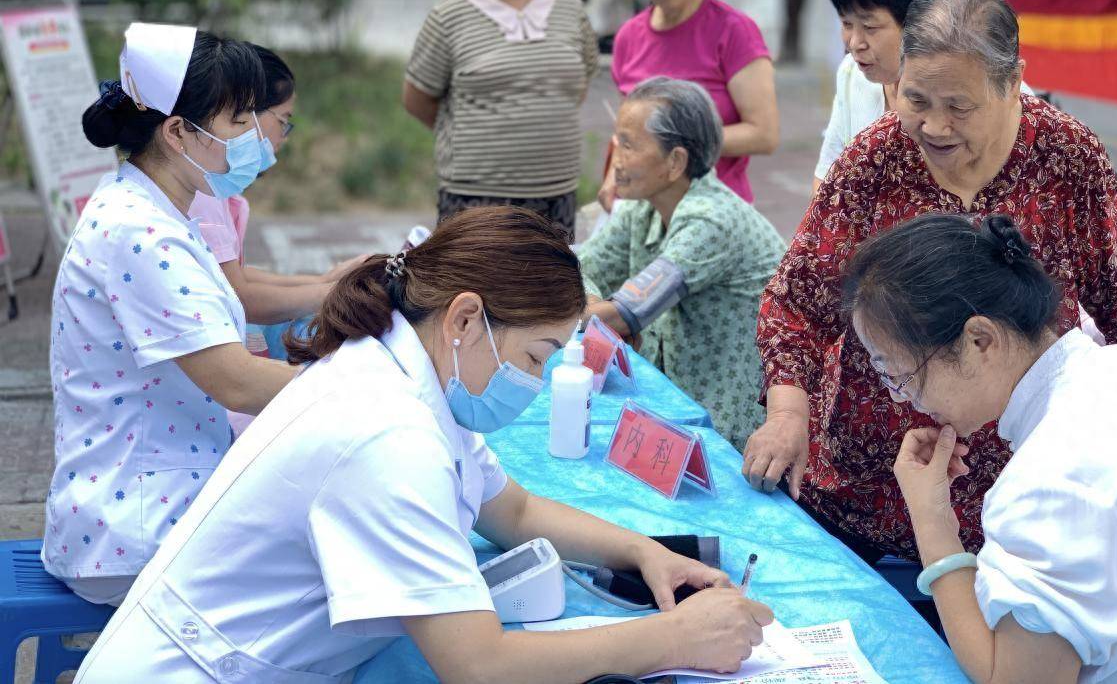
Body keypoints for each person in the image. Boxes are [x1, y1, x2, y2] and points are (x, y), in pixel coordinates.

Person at [74, 207, 773, 683]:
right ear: (466, 318)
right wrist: (676, 641)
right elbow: (478, 665)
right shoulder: (387, 434)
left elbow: (516, 513)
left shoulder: (403, 370)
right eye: (536, 358)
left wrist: (645, 553)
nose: (533, 382)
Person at [744, 0, 1117, 567]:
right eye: (916, 100)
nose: (934, 127)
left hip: (1022, 495)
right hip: (865, 487)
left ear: (1013, 81)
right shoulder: (874, 162)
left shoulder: (1066, 156)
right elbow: (796, 303)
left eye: (959, 106)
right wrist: (788, 416)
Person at [847, 214, 1117, 683]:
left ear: (979, 340)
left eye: (899, 374)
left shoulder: (1054, 481)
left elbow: (1009, 678)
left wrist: (932, 523)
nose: (901, 398)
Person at [45, 23, 297, 605]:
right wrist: (367, 385)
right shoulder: (143, 232)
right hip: (133, 530)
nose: (255, 137)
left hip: (143, 502)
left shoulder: (153, 207)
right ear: (179, 131)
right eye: (240, 121)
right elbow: (236, 381)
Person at [580, 78, 786, 447]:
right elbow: (577, 266)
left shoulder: (712, 221)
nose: (616, 158)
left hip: (726, 433)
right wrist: (592, 303)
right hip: (675, 410)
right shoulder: (644, 205)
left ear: (675, 161)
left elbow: (623, 314)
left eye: (628, 145)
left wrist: (585, 308)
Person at [404, 0, 599, 241]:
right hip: (474, 196)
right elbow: (417, 98)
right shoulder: (450, 16)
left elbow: (578, 83)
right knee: (474, 291)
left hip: (557, 193)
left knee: (550, 290)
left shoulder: (570, 7)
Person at [594, 0, 779, 209]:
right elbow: (628, 131)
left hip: (718, 213)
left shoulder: (734, 31)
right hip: (645, 214)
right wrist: (614, 173)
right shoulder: (628, 38)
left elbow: (763, 134)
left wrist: (671, 144)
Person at [189, 45, 366, 332]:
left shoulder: (212, 187)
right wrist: (335, 292)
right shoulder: (201, 192)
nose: (283, 136)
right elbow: (239, 296)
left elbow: (235, 275)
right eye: (283, 120)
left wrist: (326, 281)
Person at [814, 0, 947, 191]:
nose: (854, 43)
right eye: (846, 24)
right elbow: (827, 178)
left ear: (921, 20)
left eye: (870, 26)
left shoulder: (979, 86)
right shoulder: (851, 74)